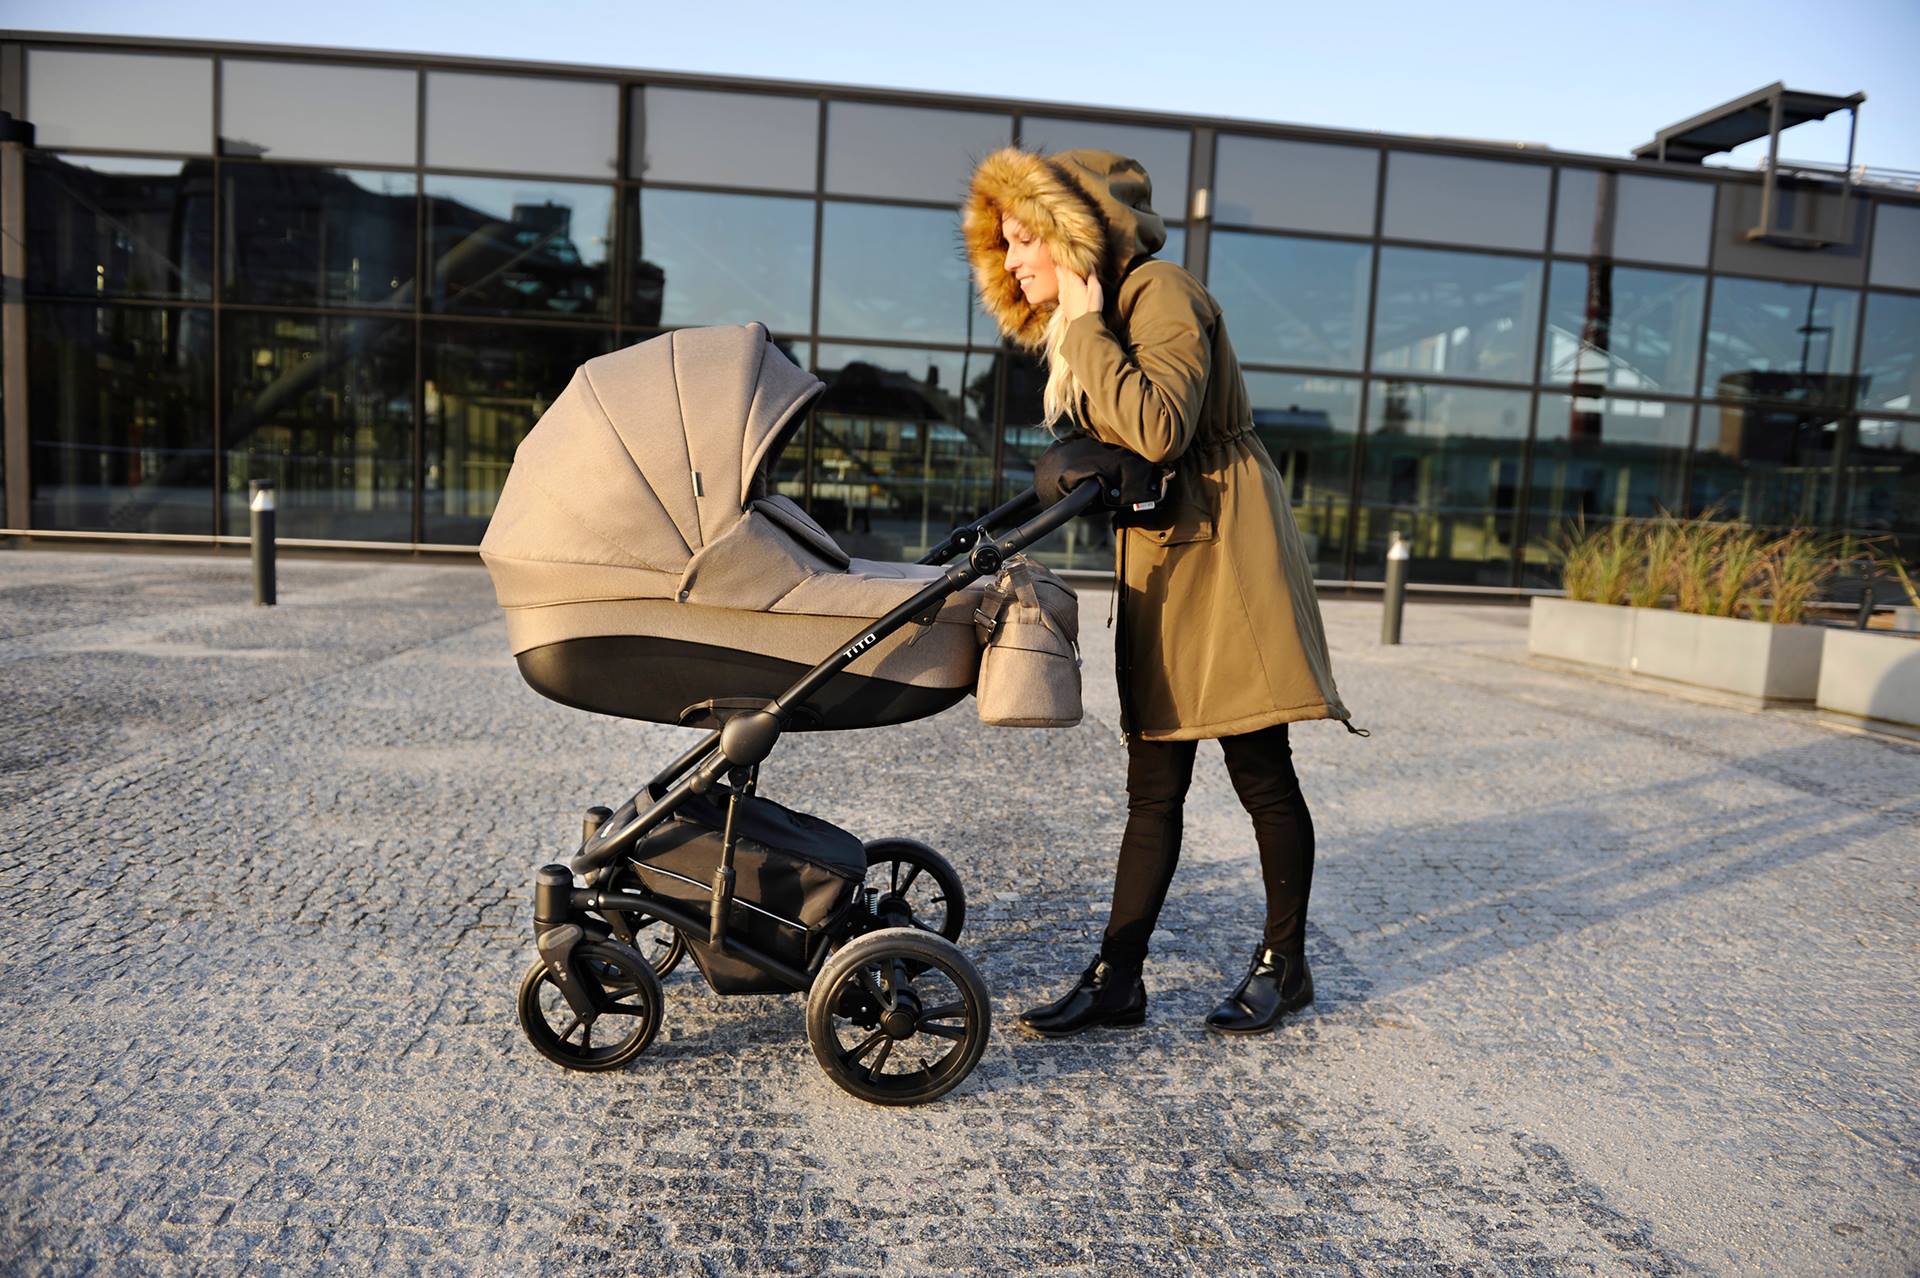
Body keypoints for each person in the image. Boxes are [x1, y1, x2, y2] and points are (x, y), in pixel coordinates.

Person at [962, 147, 1357, 1037]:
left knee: (1259, 766)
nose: (1013, 261)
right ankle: (1119, 978)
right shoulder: (1097, 318)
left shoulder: (1159, 292)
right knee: (1153, 783)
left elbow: (1159, 425)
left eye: (1025, 239)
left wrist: (1086, 329)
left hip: (1228, 546)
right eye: (1005, 244)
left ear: (1074, 233)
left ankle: (1285, 965)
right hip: (1165, 550)